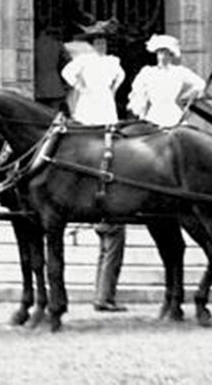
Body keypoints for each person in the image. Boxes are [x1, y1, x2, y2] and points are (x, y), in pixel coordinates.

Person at [61, 19, 127, 313]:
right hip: (90, 101)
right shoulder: (84, 61)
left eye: (103, 41)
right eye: (97, 40)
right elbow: (68, 73)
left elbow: (118, 81)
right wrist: (82, 86)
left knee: (108, 136)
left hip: (105, 102)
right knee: (88, 135)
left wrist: (109, 91)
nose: (101, 44)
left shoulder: (112, 62)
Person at [128, 34, 206, 127]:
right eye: (160, 52)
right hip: (154, 114)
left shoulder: (179, 72)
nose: (162, 56)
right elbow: (139, 93)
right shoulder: (148, 72)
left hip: (173, 113)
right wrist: (142, 112)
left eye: (166, 53)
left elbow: (200, 84)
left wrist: (185, 96)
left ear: (171, 55)